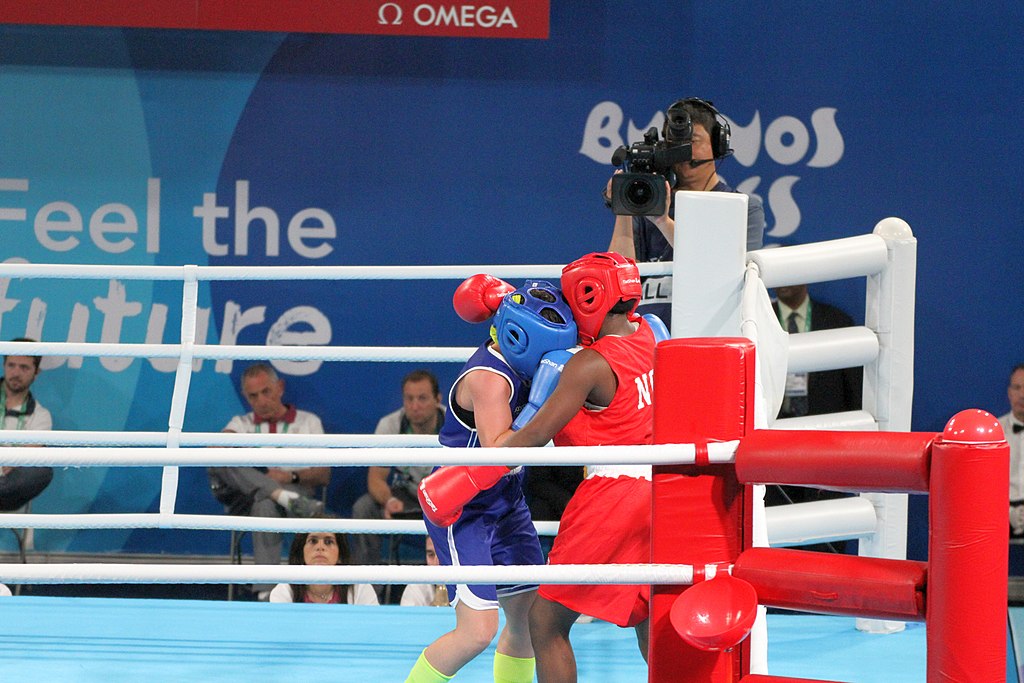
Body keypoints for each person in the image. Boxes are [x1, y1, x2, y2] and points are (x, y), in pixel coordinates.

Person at [405, 276, 578, 683]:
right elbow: (499, 451)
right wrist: (540, 404)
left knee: (526, 619)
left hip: (506, 501)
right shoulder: (490, 379)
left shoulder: (520, 362)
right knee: (476, 632)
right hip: (462, 507)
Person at [498, 252, 660, 682]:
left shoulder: (589, 364)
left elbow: (533, 436)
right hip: (663, 490)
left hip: (612, 496)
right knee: (651, 615)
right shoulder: (652, 334)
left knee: (546, 622)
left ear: (590, 299)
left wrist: (490, 453)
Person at [604, 97, 766, 328]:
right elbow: (621, 277)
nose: (683, 152)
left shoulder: (742, 208)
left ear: (717, 145)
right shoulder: (648, 202)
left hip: (707, 330)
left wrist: (662, 221)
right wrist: (625, 208)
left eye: (693, 141)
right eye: (674, 143)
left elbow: (720, 270)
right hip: (644, 336)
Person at [207, 362, 330, 600]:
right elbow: (216, 449)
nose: (261, 401)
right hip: (246, 498)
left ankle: (266, 591)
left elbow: (324, 474)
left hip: (299, 494)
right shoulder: (241, 424)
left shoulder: (308, 422)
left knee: (263, 503)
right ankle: (279, 495)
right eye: (253, 396)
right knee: (217, 456)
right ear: (246, 397)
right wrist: (228, 440)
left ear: (280, 388)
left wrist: (290, 476)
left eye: (266, 392)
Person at [766, 284, 862, 551]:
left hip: (826, 449)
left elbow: (855, 393)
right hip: (773, 450)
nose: (784, 283)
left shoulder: (837, 323)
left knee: (827, 542)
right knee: (777, 541)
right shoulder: (759, 323)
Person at [351, 369, 445, 567]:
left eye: (422, 398)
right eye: (409, 399)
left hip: (446, 497)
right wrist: (389, 500)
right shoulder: (389, 425)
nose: (415, 406)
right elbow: (375, 478)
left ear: (438, 399)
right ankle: (366, 589)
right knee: (364, 508)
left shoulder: (454, 425)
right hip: (406, 497)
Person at [0, 338, 54, 512]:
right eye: (11, 365)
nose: (16, 372)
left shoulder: (41, 416)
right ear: (4, 366)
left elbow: (28, 455)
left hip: (5, 487)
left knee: (41, 471)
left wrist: (17, 459)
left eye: (24, 367)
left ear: (36, 372)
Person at [269, 530, 379, 605]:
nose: (320, 547)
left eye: (328, 542)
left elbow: (374, 632)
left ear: (340, 555)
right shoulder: (285, 590)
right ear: (301, 552)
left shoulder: (359, 588)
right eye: (313, 541)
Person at [1000, 363, 1024, 541]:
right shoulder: (995, 432)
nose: (1022, 395)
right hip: (998, 519)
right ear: (1009, 392)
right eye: (1017, 388)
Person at [400, 536, 451, 607]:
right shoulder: (416, 587)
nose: (437, 562)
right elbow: (406, 617)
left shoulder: (468, 582)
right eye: (431, 555)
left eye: (443, 554)